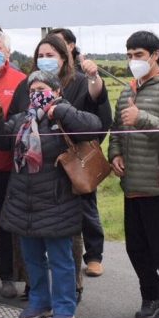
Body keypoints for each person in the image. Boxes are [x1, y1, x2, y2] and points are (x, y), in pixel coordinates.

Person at [0, 70, 102, 318]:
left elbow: (93, 126)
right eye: (32, 91)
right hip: (24, 202)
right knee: (33, 258)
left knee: (61, 260)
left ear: (57, 91)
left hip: (57, 202)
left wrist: (60, 110)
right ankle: (39, 300)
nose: (36, 95)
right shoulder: (21, 120)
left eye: (42, 89)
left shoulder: (64, 116)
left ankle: (64, 307)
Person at [8, 35, 112, 298]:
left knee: (66, 236)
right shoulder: (27, 84)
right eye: (40, 55)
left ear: (65, 57)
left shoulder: (77, 82)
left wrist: (63, 109)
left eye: (51, 54)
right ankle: (36, 289)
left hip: (66, 170)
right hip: (31, 177)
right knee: (30, 237)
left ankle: (72, 287)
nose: (45, 60)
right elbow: (11, 123)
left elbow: (97, 119)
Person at [108, 30, 159, 318]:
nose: (133, 61)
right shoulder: (128, 90)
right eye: (129, 55)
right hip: (132, 185)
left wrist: (141, 117)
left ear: (155, 55)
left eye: (139, 55)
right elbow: (117, 129)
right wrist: (115, 153)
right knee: (137, 249)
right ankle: (151, 297)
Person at [47, 27, 111, 279]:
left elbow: (98, 104)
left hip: (78, 153)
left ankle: (94, 256)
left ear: (70, 48)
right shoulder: (42, 78)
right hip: (50, 155)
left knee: (86, 206)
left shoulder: (81, 78)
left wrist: (94, 78)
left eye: (57, 46)